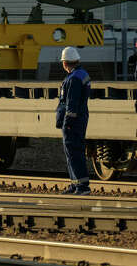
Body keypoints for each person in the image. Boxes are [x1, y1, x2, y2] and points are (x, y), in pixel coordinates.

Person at [55, 45, 91, 195]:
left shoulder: (74, 78)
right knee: (73, 152)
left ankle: (82, 186)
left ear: (65, 63)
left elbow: (71, 103)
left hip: (73, 122)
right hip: (80, 118)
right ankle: (75, 184)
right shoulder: (81, 74)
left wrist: (67, 122)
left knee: (74, 152)